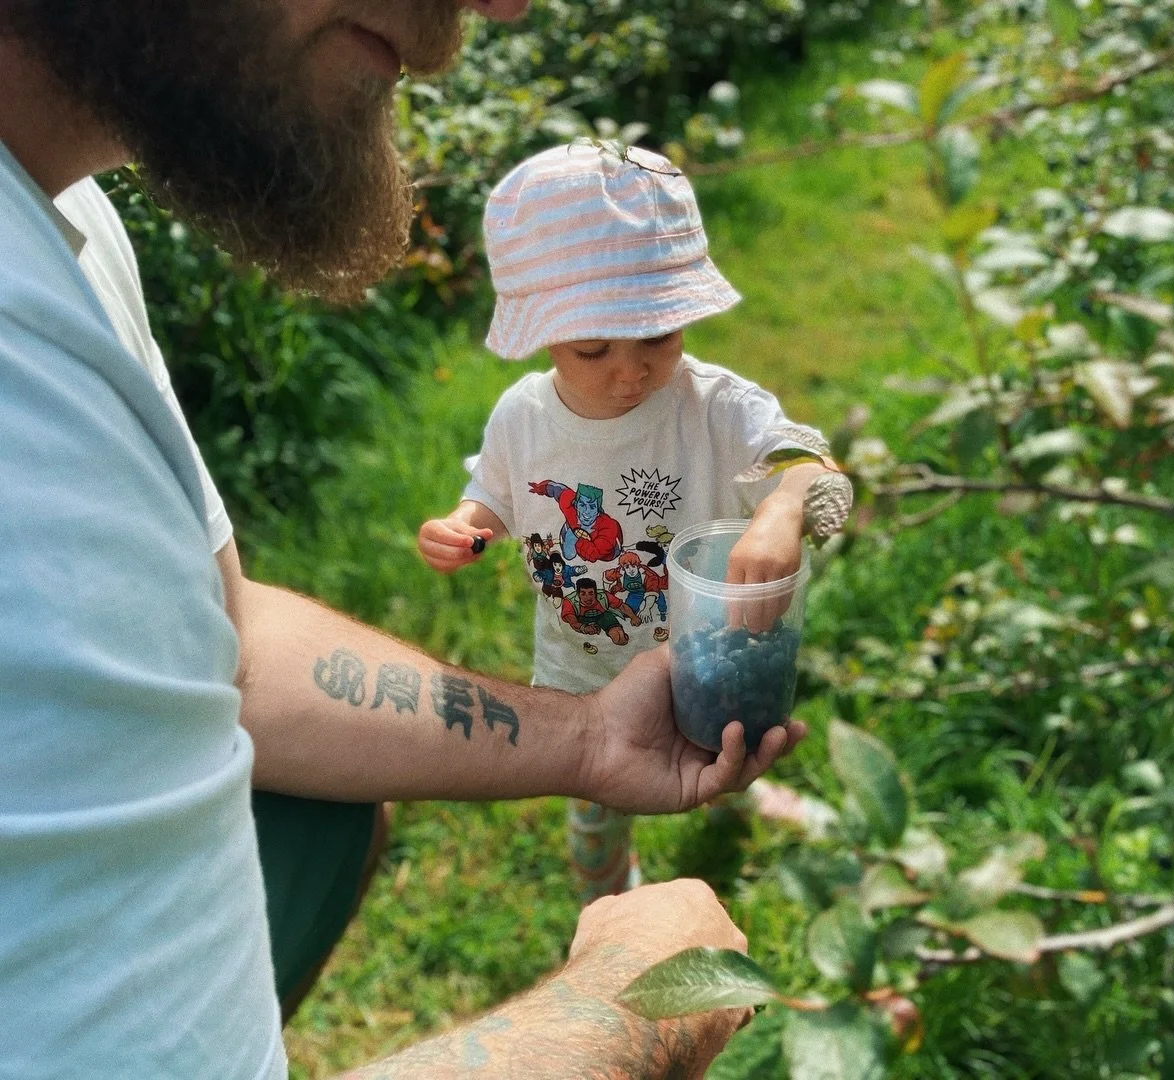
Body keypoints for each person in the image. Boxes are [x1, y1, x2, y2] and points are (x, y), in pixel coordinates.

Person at [0, 2, 807, 1077]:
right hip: (585, 643)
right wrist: (627, 1009)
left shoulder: (74, 232)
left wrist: (584, 739)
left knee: (330, 821)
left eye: (654, 334)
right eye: (591, 345)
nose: (506, 7)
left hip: (669, 655)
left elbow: (224, 639)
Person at [417, 142, 846, 901]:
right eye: (592, 348)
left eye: (658, 335)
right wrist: (465, 524)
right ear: (543, 334)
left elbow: (815, 467)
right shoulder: (523, 417)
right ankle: (609, 910)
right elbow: (495, 497)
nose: (631, 370)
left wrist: (783, 506)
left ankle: (745, 802)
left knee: (729, 754)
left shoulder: (716, 410)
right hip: (581, 680)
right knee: (596, 818)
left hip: (710, 661)